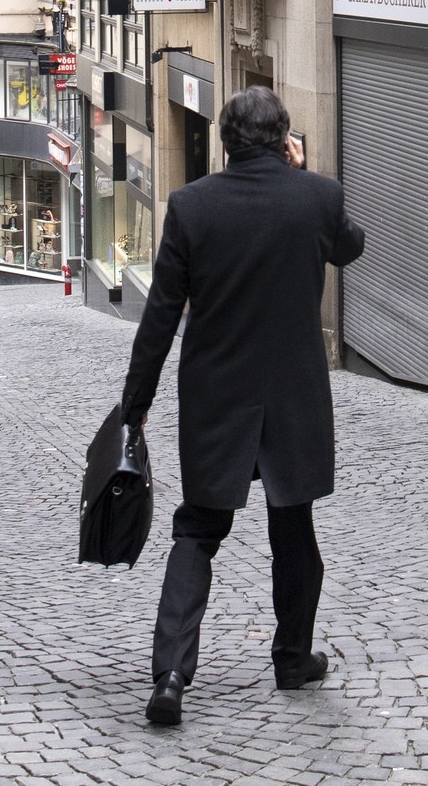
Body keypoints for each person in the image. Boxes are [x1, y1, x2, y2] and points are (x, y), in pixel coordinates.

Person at [119, 87, 366, 726]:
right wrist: (301, 173)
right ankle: (291, 658)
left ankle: (171, 675)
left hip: (216, 396)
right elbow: (351, 245)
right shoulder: (317, 197)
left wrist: (135, 403)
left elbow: (161, 314)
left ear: (225, 142)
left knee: (197, 530)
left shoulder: (192, 207)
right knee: (294, 526)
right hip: (293, 396)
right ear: (285, 139)